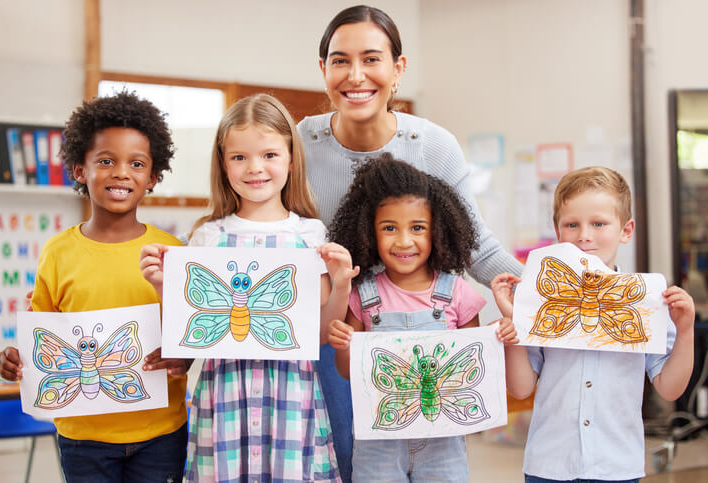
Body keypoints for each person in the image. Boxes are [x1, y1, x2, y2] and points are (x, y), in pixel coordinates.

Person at [297, 6, 525, 479]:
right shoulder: (300, 143)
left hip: (414, 335)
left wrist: (548, 294)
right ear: (323, 71)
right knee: (344, 457)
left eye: (371, 59)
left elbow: (477, 246)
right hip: (332, 328)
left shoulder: (433, 145)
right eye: (340, 61)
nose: (355, 75)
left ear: (398, 69)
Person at [140, 93, 358, 482]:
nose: (255, 168)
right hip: (224, 397)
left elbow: (322, 333)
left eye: (270, 155)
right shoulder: (207, 236)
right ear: (223, 165)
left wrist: (341, 286)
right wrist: (162, 285)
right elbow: (188, 328)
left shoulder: (310, 234)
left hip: (292, 399)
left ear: (291, 159)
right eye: (239, 157)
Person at [0, 91, 189, 482]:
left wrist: (183, 359)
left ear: (152, 177)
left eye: (137, 163)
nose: (121, 173)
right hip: (82, 436)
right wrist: (17, 357)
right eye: (106, 161)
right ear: (79, 169)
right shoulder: (57, 252)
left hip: (161, 432)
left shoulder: (172, 252)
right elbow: (44, 333)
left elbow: (189, 337)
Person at [491, 166, 696, 482]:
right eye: (572, 224)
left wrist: (685, 332)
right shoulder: (539, 302)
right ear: (558, 232)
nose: (584, 235)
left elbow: (669, 389)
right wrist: (515, 321)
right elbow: (521, 388)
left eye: (599, 223)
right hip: (549, 463)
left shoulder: (649, 304)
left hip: (617, 465)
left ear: (626, 230)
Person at [326, 154, 518, 482]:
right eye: (389, 228)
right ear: (369, 232)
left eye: (417, 228)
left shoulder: (457, 293)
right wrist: (343, 345)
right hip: (378, 442)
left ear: (438, 231)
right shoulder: (362, 294)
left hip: (444, 442)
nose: (404, 241)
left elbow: (472, 365)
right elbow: (347, 372)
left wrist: (498, 337)